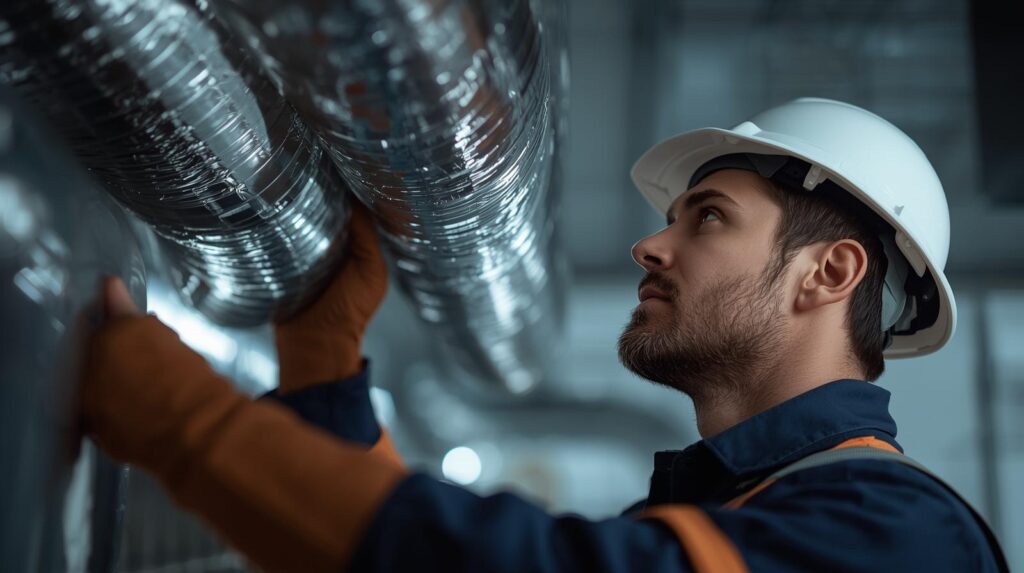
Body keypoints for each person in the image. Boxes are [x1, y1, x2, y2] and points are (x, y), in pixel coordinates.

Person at [78, 98, 1007, 572]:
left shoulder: (898, 537)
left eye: (708, 217)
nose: (651, 243)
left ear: (829, 273)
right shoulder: (742, 510)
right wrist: (323, 367)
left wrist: (186, 425)